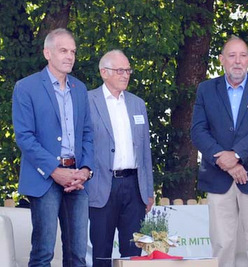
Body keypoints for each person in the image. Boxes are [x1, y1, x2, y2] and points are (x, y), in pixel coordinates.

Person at [190, 36, 248, 267]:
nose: (237, 61)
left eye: (242, 55)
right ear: (222, 60)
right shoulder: (206, 89)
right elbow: (198, 131)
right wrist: (226, 161)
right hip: (219, 177)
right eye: (232, 56)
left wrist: (236, 155)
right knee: (222, 243)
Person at [12, 28, 93, 266]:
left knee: (78, 255)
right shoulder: (26, 87)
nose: (70, 56)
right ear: (47, 53)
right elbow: (25, 137)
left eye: (73, 52)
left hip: (77, 181)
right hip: (45, 180)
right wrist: (55, 171)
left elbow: (88, 133)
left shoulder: (80, 89)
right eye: (63, 50)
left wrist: (86, 170)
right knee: (43, 253)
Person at [87, 50, 154, 266]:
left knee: (134, 253)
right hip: (102, 186)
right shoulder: (87, 101)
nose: (126, 74)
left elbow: (145, 151)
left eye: (128, 70)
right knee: (101, 251)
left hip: (134, 188)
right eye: (120, 70)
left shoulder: (138, 104)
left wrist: (149, 190)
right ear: (104, 72)